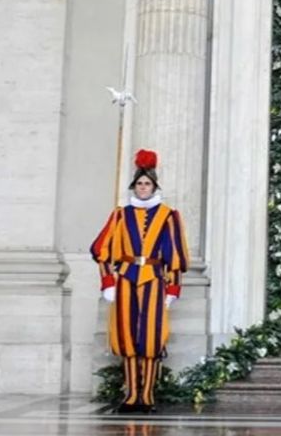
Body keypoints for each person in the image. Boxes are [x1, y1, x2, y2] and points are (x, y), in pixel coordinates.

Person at [91, 149, 190, 414]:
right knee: (127, 338)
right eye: (139, 184)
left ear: (154, 186)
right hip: (125, 279)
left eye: (147, 184)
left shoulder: (169, 216)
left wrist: (172, 288)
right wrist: (108, 282)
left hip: (155, 281)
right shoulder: (120, 215)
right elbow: (101, 250)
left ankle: (147, 396)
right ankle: (131, 394)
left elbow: (176, 255)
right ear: (134, 187)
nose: (143, 188)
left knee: (151, 339)